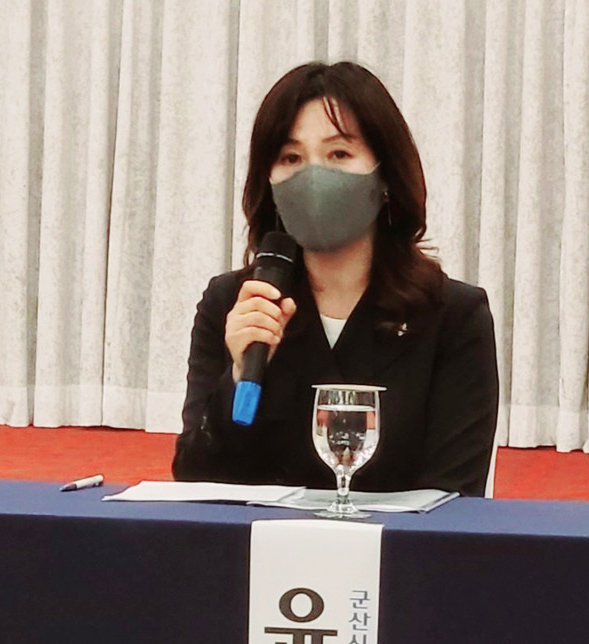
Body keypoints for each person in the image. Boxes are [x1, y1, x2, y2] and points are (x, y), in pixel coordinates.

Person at [172, 61, 498, 496]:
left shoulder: (453, 317)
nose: (313, 176)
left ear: (385, 174)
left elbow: (455, 493)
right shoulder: (236, 303)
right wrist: (236, 378)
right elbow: (195, 481)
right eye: (291, 158)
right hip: (261, 540)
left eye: (339, 154)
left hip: (395, 540)